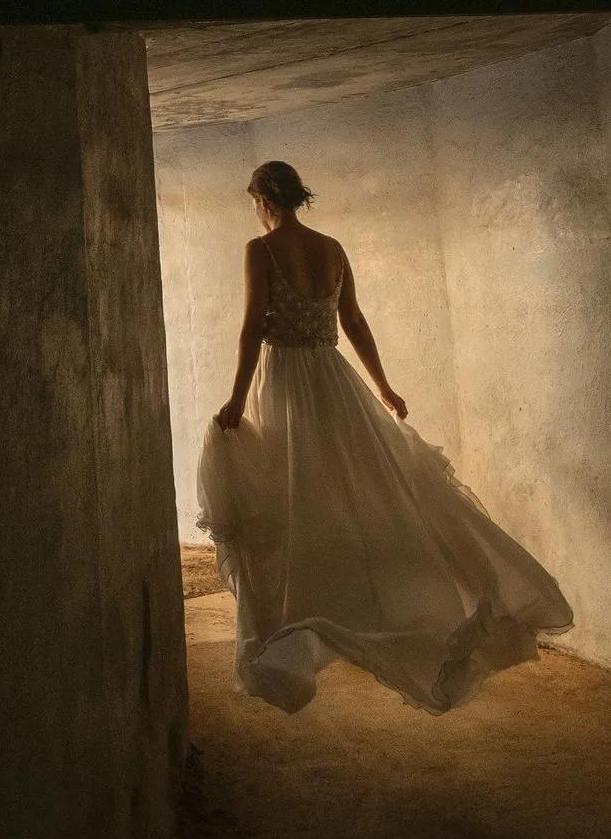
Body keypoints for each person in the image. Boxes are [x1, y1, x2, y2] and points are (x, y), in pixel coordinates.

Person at [197, 160, 572, 714]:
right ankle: (362, 597)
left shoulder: (261, 249)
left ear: (263, 202)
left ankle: (313, 604)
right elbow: (353, 322)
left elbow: (254, 325)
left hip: (286, 382)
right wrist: (382, 387)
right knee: (356, 485)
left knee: (294, 488)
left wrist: (236, 396)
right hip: (332, 377)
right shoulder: (332, 247)